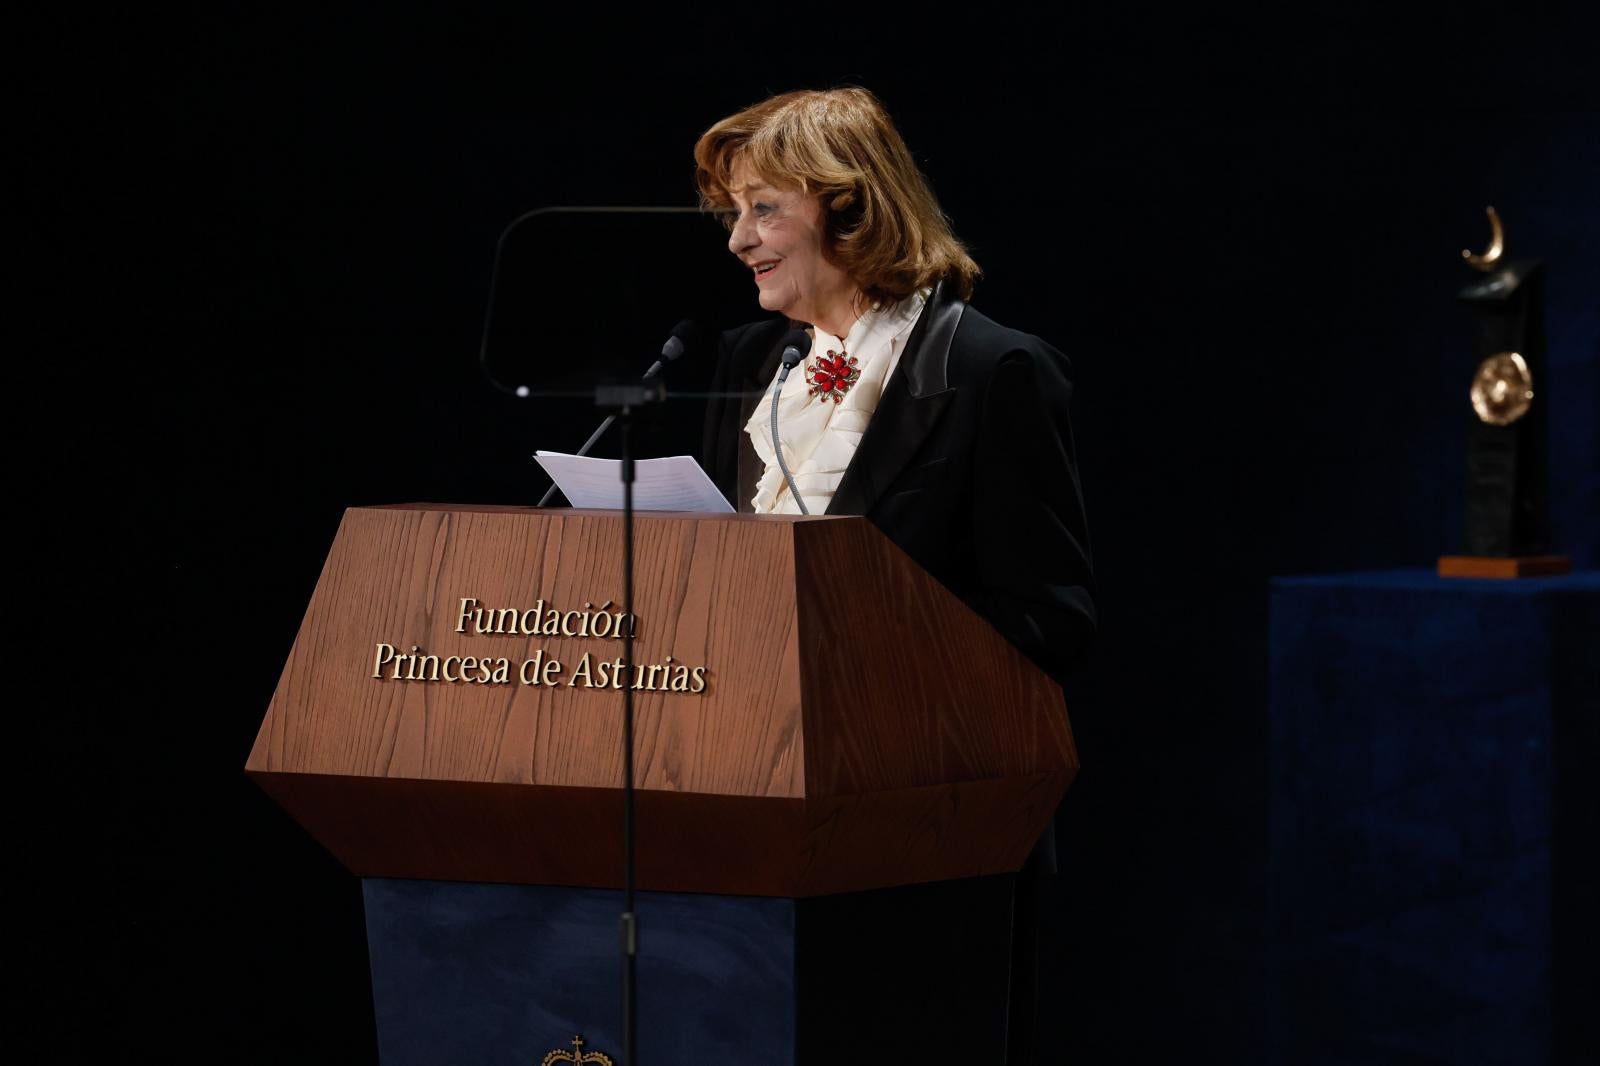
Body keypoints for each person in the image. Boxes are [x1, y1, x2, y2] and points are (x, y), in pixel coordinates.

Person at [695, 87, 1096, 1063]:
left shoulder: (995, 369)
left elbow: (1049, 619)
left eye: (762, 209)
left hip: (923, 838)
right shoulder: (747, 366)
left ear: (849, 205)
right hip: (745, 812)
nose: (739, 240)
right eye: (732, 214)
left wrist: (867, 644)